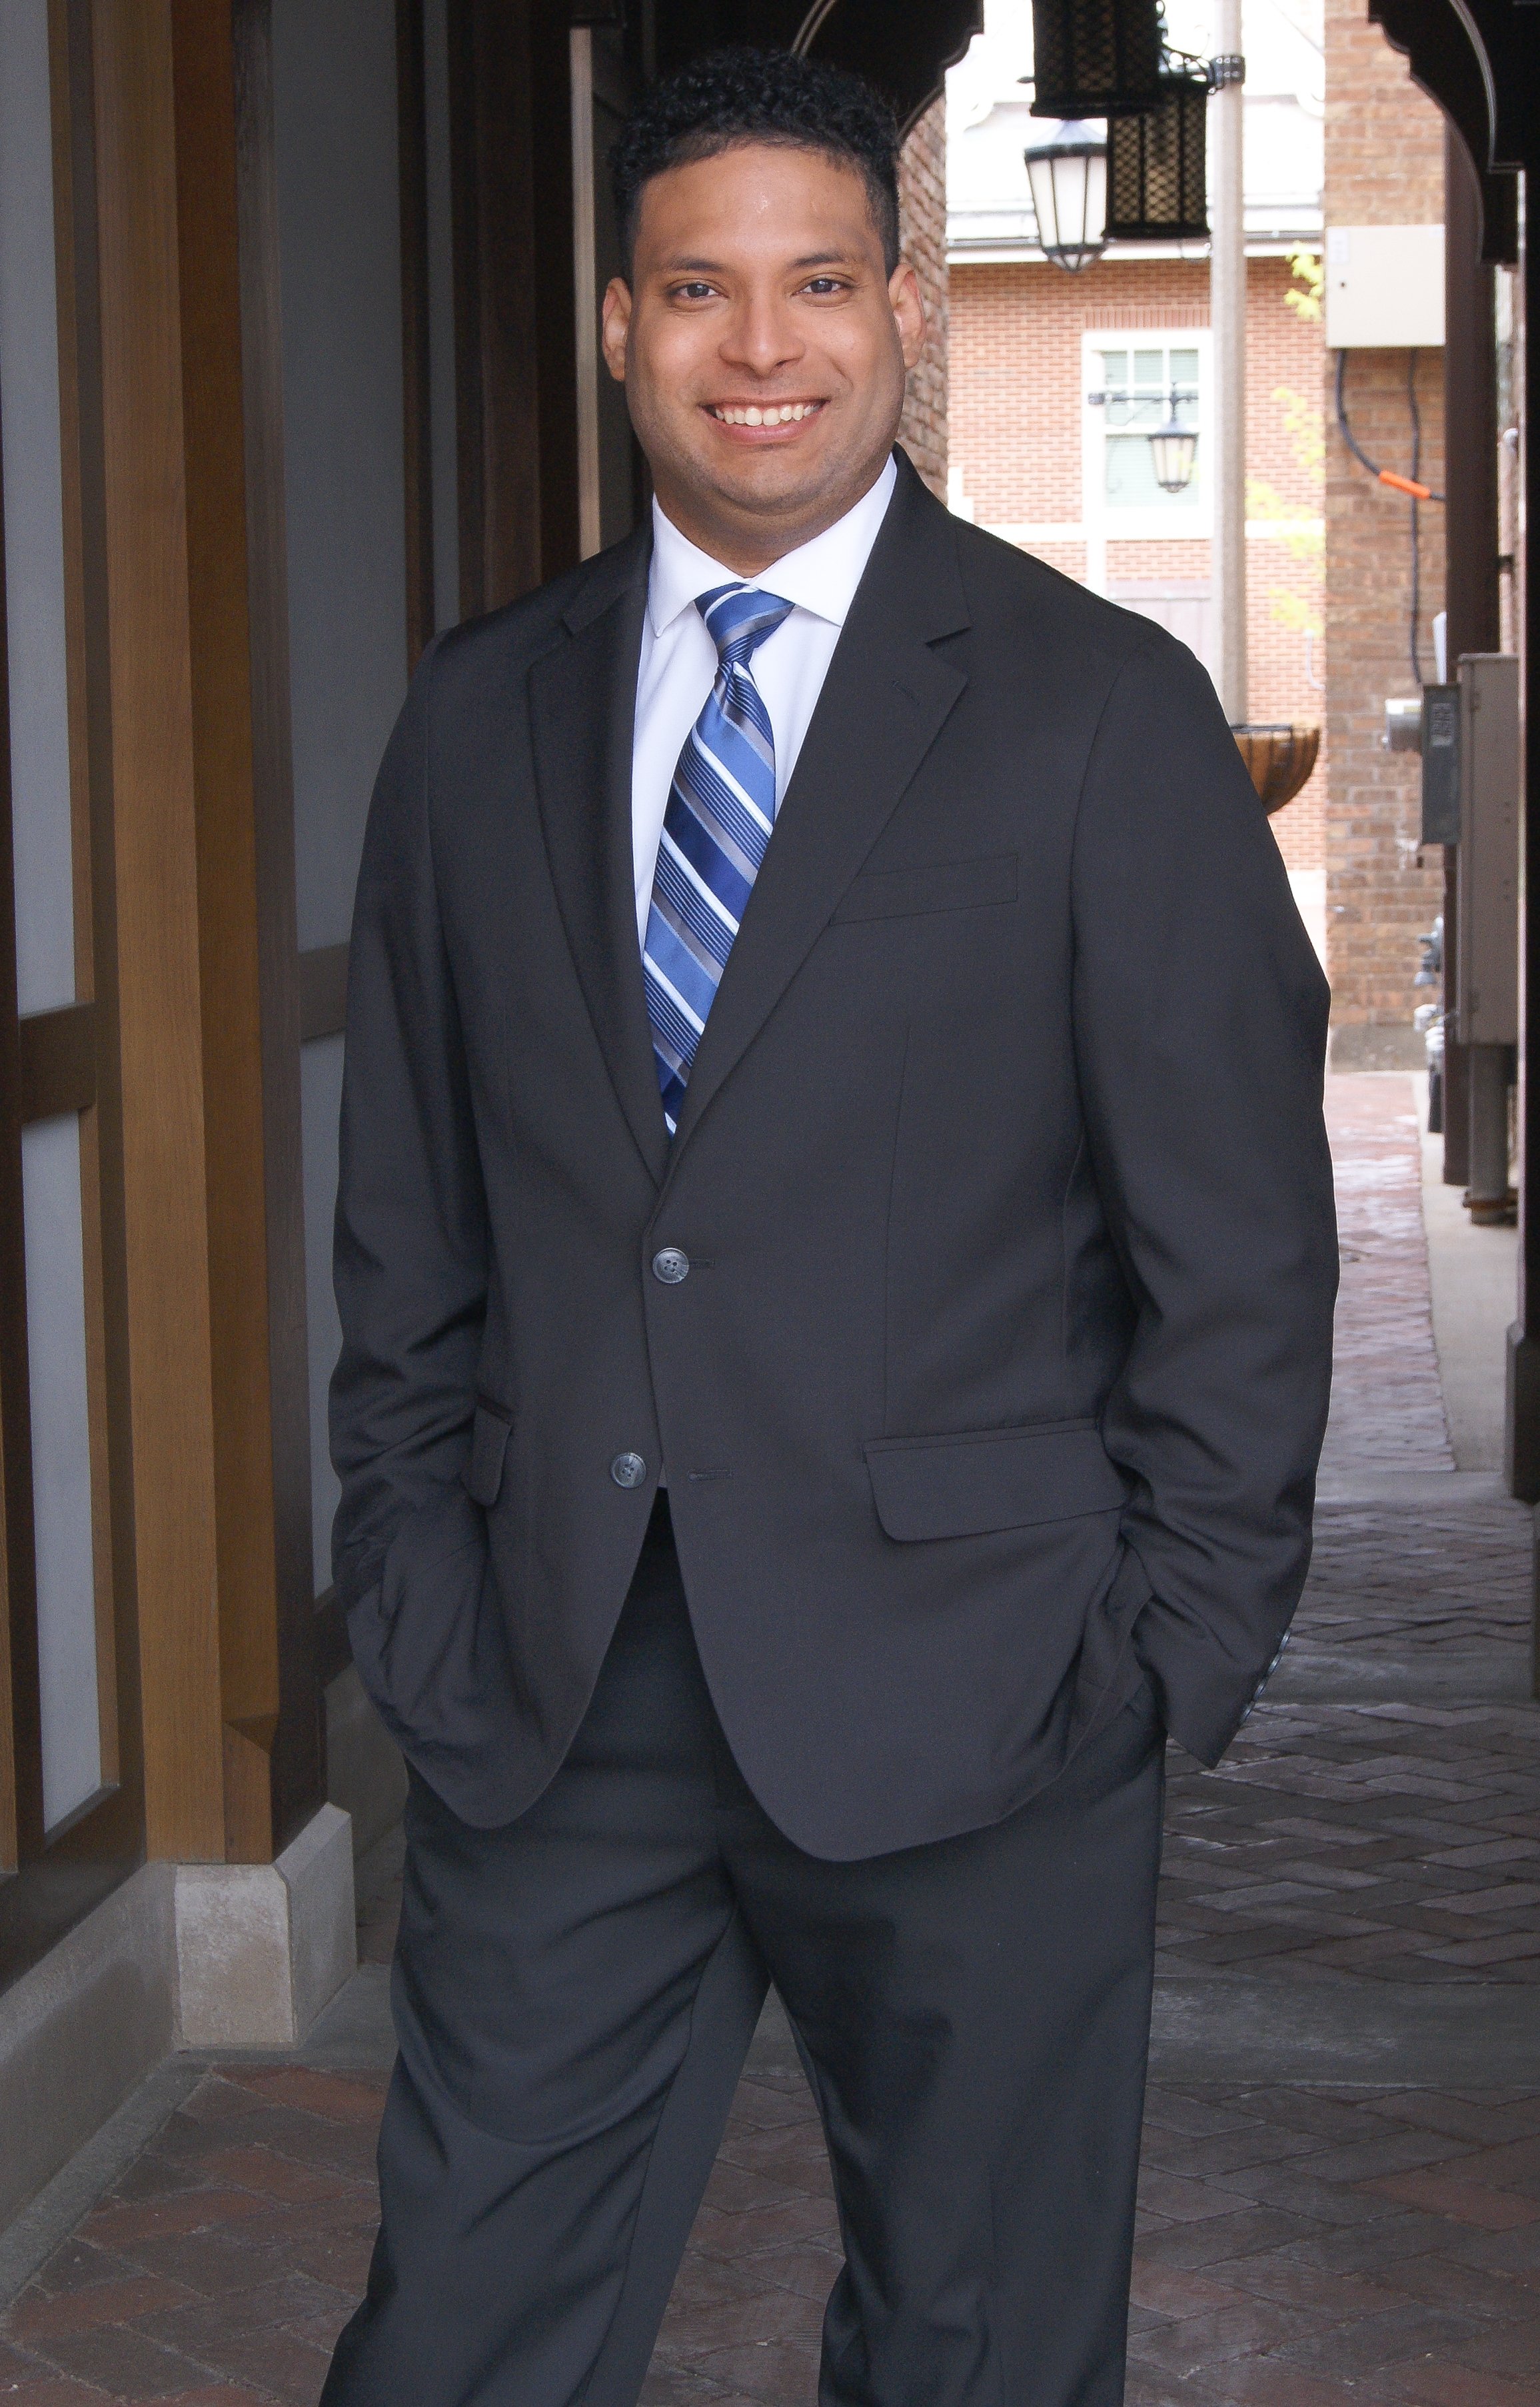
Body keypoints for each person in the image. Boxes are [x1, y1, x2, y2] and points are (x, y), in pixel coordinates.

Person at [321, 45, 1337, 2407]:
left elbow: (1239, 1246)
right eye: (697, 288)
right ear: (617, 323)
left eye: (812, 284)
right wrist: (416, 1585)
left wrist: (1162, 1658)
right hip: (562, 1686)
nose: (756, 346)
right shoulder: (478, 723)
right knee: (455, 2333)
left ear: (900, 308)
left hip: (991, 1692)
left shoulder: (1097, 711)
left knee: (976, 2352)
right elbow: (412, 1231)